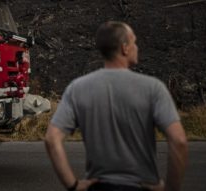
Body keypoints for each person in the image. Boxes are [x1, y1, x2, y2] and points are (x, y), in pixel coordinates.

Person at [45, 21, 188, 191]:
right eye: (134, 42)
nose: (137, 47)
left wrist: (73, 185)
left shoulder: (77, 88)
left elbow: (52, 139)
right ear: (125, 47)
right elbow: (179, 140)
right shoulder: (152, 88)